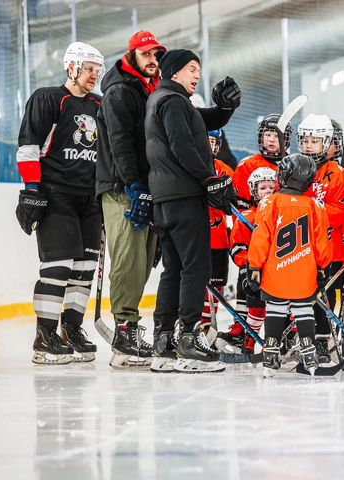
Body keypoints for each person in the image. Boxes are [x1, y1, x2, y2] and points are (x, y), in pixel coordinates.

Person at [145, 48, 241, 373]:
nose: (196, 75)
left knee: (173, 270)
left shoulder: (167, 100)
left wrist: (225, 108)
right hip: (185, 197)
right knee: (195, 268)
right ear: (173, 71)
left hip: (167, 199)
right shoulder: (172, 102)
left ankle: (163, 340)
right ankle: (187, 338)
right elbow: (182, 144)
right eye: (190, 69)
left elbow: (204, 122)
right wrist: (209, 179)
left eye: (198, 68)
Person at [15, 42, 104, 364]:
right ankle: (45, 335)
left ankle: (72, 328)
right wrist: (32, 191)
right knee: (58, 267)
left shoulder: (100, 105)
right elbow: (29, 146)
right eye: (89, 68)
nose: (95, 74)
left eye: (98, 69)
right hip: (56, 194)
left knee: (84, 269)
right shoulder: (49, 98)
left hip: (90, 198)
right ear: (72, 68)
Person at [95, 31, 166, 369]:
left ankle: (131, 326)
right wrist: (135, 185)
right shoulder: (121, 91)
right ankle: (125, 331)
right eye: (146, 54)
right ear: (133, 55)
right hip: (122, 188)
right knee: (129, 257)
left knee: (144, 258)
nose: (153, 59)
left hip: (145, 186)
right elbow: (121, 142)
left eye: (156, 54)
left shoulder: (151, 89)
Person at [247, 154, 332, 377]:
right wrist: (324, 266)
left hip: (276, 274)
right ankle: (310, 356)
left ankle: (270, 357)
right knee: (304, 311)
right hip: (305, 274)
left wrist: (254, 266)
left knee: (275, 310)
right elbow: (321, 240)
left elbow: (260, 238)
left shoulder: (269, 202)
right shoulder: (315, 205)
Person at [297, 113, 344, 362]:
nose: (309, 145)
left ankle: (322, 338)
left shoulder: (337, 174)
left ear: (327, 142)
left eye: (315, 140)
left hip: (328, 248)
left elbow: (341, 212)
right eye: (305, 139)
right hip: (300, 246)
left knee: (324, 295)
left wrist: (309, 210)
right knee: (299, 293)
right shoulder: (293, 167)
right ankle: (301, 338)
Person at [218, 167, 279, 354]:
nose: (267, 191)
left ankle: (278, 342)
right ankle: (248, 343)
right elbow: (237, 247)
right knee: (256, 306)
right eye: (262, 188)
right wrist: (248, 267)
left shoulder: (282, 215)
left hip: (279, 270)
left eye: (271, 187)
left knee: (281, 309)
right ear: (254, 191)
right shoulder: (246, 217)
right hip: (256, 270)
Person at [201, 130, 235, 336]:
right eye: (207, 141)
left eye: (214, 142)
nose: (210, 146)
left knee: (217, 285)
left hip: (219, 239)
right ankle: (199, 325)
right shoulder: (190, 168)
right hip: (198, 239)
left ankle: (209, 328)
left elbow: (233, 206)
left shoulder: (225, 170)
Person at [233, 115, 292, 208]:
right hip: (257, 219)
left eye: (276, 136)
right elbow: (241, 205)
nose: (271, 140)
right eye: (267, 135)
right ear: (261, 136)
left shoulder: (294, 165)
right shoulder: (248, 165)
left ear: (286, 139)